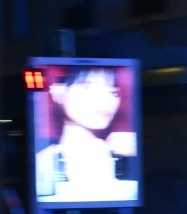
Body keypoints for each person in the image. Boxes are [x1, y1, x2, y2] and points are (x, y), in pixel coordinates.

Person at [35, 66, 137, 203]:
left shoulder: (124, 154)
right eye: (88, 88)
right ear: (59, 92)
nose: (104, 100)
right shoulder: (44, 162)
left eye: (113, 92)